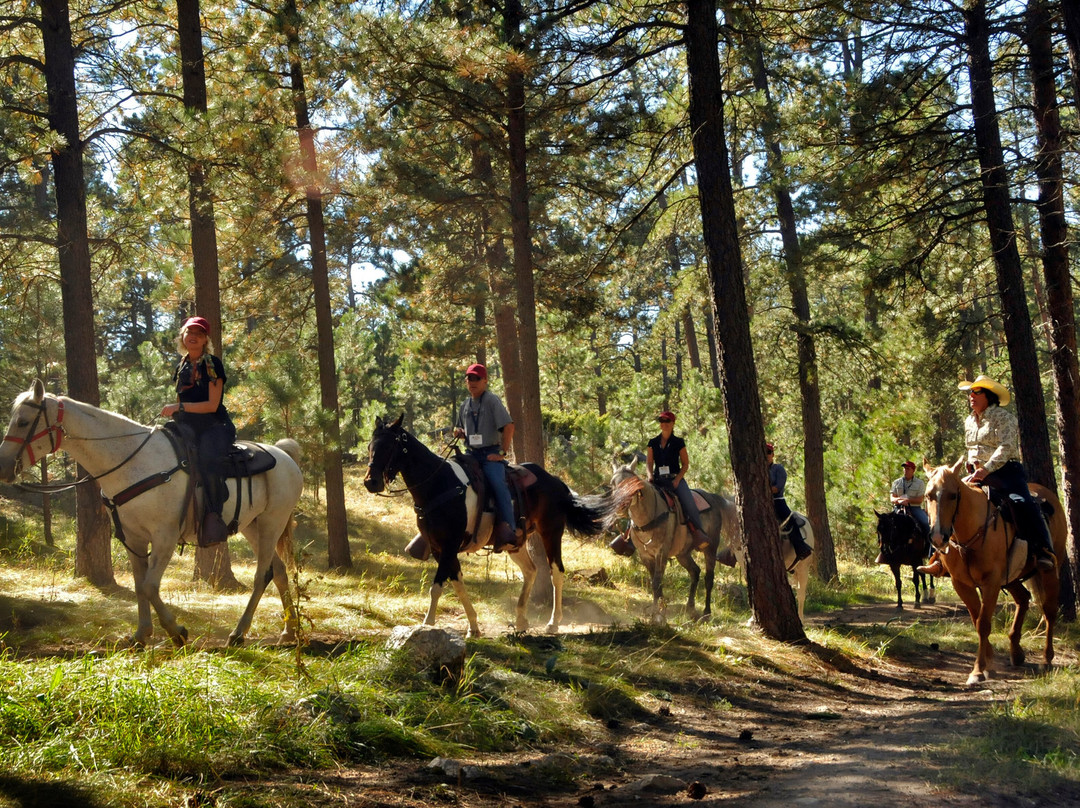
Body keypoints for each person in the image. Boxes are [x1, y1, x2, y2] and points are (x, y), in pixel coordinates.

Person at [956, 374, 1056, 572]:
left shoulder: (1004, 418)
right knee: (947, 497)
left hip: (1005, 473)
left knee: (1022, 503)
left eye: (977, 392)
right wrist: (972, 467)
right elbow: (972, 449)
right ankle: (941, 556)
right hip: (976, 473)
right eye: (970, 393)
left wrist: (986, 469)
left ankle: (1042, 549)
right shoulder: (969, 420)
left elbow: (1007, 447)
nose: (971, 396)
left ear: (989, 395)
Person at [160, 316, 236, 545]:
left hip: (214, 426)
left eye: (199, 333)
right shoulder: (182, 364)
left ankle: (213, 518)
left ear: (205, 340)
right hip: (187, 426)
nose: (193, 336)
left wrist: (178, 407)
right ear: (182, 336)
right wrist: (177, 412)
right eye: (189, 332)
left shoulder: (211, 364)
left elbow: (212, 405)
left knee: (208, 460)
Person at [453, 363, 518, 552]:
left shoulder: (491, 401)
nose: (472, 382)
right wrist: (459, 432)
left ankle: (509, 529)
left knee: (498, 484)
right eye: (469, 378)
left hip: (489, 455)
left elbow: (509, 426)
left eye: (476, 379)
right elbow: (459, 427)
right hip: (470, 454)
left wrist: (502, 453)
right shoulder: (465, 404)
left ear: (485, 381)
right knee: (449, 478)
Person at [646, 411, 710, 550]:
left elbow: (685, 464)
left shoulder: (678, 442)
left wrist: (677, 480)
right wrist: (650, 476)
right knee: (641, 498)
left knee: (689, 503)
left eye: (667, 421)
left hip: (675, 479)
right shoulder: (652, 442)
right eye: (661, 421)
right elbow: (649, 463)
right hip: (657, 480)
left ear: (673, 423)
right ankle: (628, 537)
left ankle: (699, 535)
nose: (664, 424)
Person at [766, 443, 813, 560]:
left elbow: (777, 488)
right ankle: (730, 554)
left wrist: (762, 489)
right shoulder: (755, 469)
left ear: (772, 454)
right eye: (763, 452)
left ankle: (801, 548)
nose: (765, 455)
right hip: (760, 502)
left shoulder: (779, 469)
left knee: (789, 519)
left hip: (777, 502)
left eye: (768, 452)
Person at [891, 460, 930, 539]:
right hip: (898, 507)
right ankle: (885, 549)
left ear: (913, 470)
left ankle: (931, 549)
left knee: (926, 523)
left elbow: (920, 500)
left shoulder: (920, 483)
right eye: (904, 469)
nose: (905, 470)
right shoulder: (896, 482)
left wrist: (908, 500)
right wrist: (899, 500)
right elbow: (892, 498)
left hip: (914, 508)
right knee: (886, 524)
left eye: (908, 469)